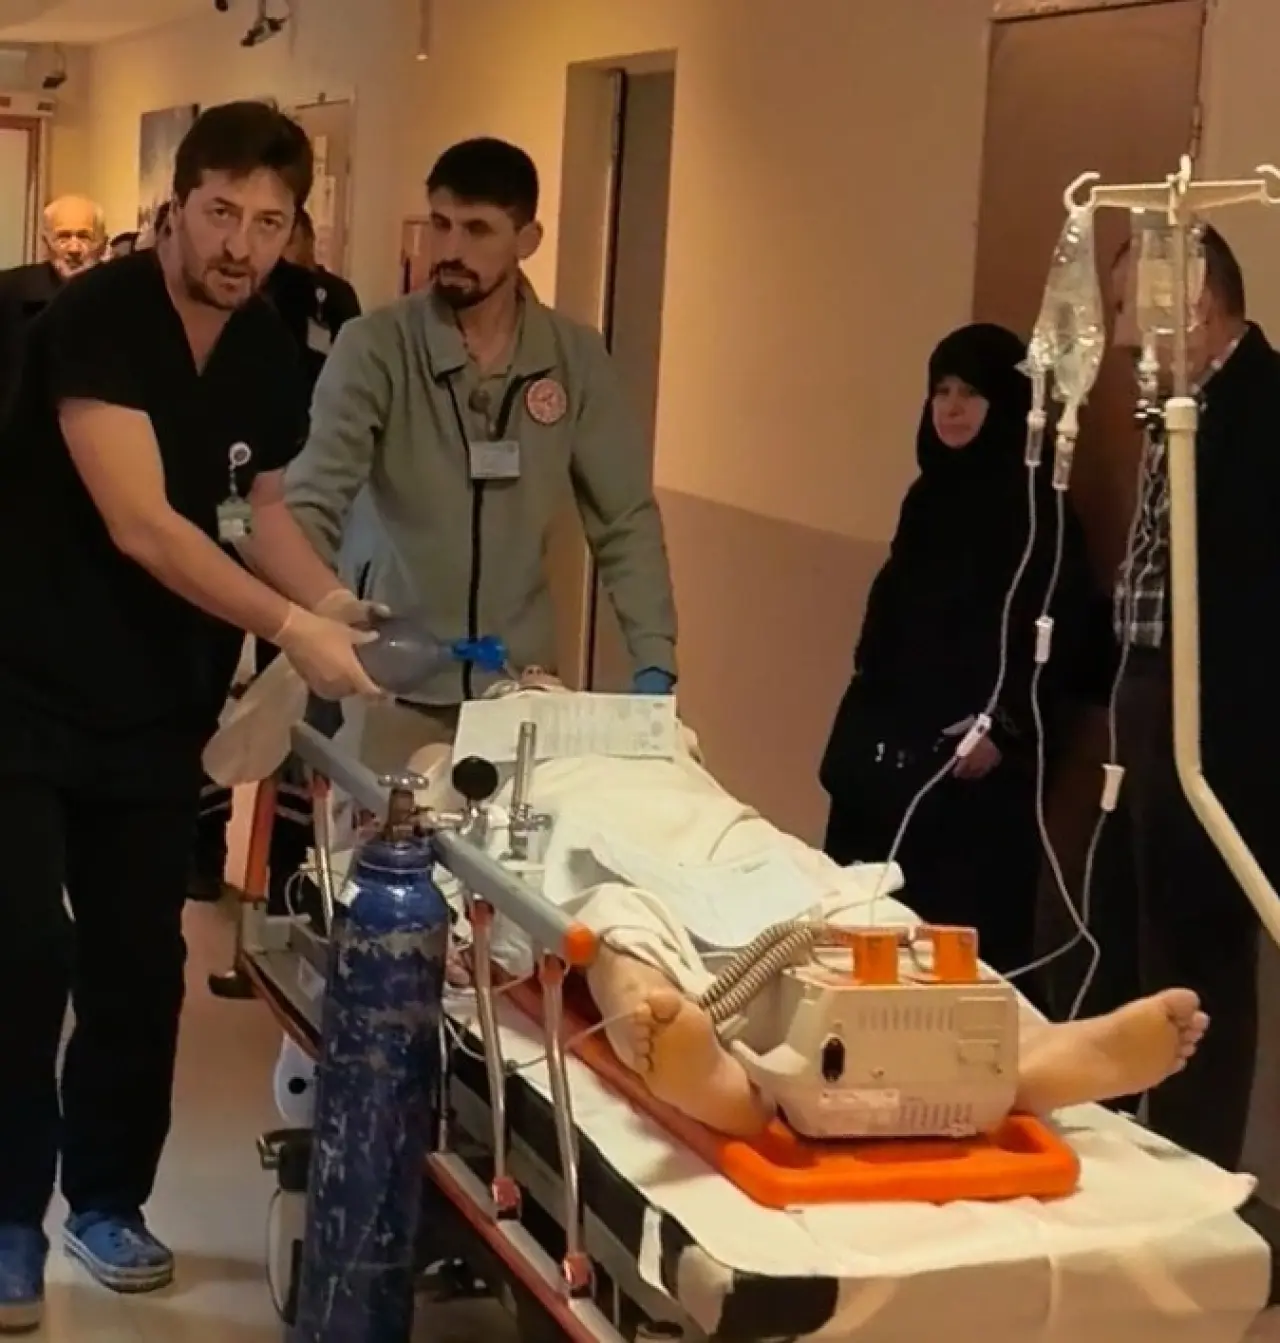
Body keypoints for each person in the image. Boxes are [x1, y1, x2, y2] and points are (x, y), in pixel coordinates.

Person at [0, 100, 383, 1331]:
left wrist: (328, 601)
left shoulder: (265, 346)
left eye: (269, 222)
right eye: (222, 212)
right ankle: (6, 1216)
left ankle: (108, 1198)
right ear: (174, 207)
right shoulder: (95, 322)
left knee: (138, 963)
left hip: (154, 707)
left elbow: (255, 505)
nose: (241, 244)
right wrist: (288, 629)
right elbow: (146, 524)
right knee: (23, 952)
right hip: (21, 687)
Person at [400, 680, 1208, 1140]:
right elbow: (427, 800)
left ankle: (1034, 1054)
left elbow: (696, 768)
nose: (537, 684)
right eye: (524, 685)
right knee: (613, 924)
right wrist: (450, 750)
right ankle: (710, 1072)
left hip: (724, 838)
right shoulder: (482, 750)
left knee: (861, 908)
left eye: (543, 681)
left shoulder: (652, 736)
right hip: (599, 836)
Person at [284, 136, 678, 772]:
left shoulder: (573, 359)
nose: (450, 249)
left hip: (520, 691)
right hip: (393, 681)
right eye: (440, 224)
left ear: (527, 239)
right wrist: (314, 617)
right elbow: (312, 500)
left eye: (477, 230)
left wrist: (653, 660)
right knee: (387, 833)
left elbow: (624, 520)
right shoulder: (377, 348)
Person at [819, 324, 1102, 980]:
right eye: (941, 391)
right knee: (864, 932)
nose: (951, 408)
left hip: (972, 774)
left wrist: (1005, 727)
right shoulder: (926, 499)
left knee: (953, 954)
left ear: (1005, 403)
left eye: (970, 393)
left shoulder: (1038, 513)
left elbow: (1061, 637)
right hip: (890, 760)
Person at [1103, 223, 1278, 1171]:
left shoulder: (1259, 412)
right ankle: (1147, 1147)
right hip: (1154, 691)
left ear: (1198, 298)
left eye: (1134, 308)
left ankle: (1194, 1170)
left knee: (1203, 959)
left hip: (1224, 723)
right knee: (1150, 938)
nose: (1122, 334)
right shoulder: (1179, 406)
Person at [0, 196, 107, 413]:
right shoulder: (8, 291)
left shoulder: (123, 297)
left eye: (84, 236)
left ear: (102, 244)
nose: (74, 248)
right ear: (46, 243)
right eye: (63, 237)